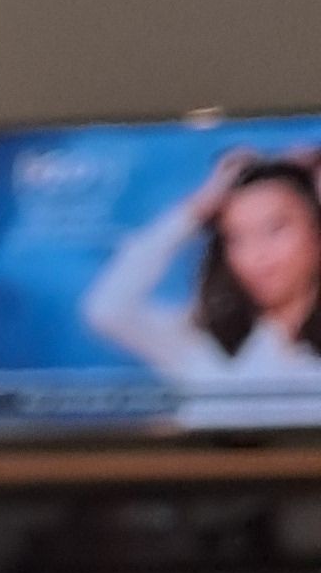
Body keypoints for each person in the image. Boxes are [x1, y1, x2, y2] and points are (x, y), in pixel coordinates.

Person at [82, 147, 321, 427]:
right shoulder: (202, 343)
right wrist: (197, 208)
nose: (257, 255)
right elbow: (107, 308)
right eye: (237, 238)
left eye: (274, 229)